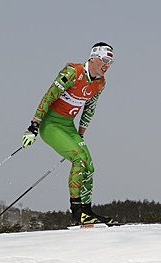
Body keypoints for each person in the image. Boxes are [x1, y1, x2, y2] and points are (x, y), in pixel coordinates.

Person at [22, 42, 115, 226]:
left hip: (68, 126)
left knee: (89, 165)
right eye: (104, 60)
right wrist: (33, 126)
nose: (107, 65)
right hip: (51, 125)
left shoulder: (100, 83)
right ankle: (77, 211)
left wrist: (80, 134)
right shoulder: (73, 73)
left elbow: (90, 108)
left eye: (110, 62)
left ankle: (87, 211)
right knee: (78, 159)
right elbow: (49, 96)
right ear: (93, 58)